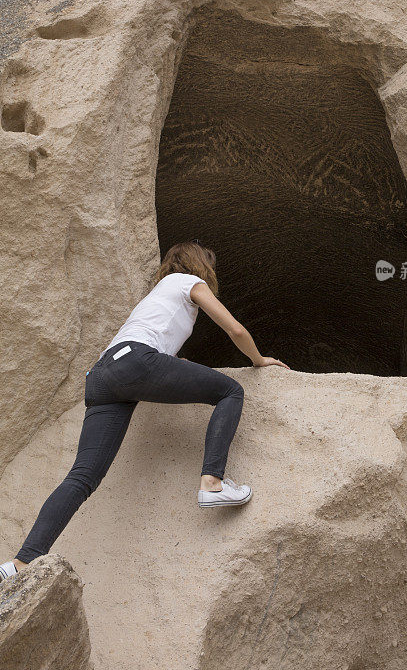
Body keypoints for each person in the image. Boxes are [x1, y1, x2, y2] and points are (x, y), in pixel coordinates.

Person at [0, 240, 290, 581]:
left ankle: (20, 563)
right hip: (135, 362)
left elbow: (156, 346)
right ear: (200, 266)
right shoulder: (187, 283)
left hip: (101, 377)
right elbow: (235, 329)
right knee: (231, 391)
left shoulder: (156, 297)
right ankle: (212, 483)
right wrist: (259, 359)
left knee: (82, 477)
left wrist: (173, 363)